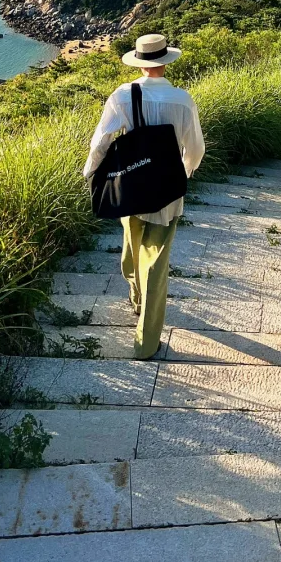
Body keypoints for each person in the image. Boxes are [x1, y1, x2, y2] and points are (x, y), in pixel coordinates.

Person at [83, 33, 205, 360]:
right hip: (166, 190)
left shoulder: (123, 96)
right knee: (156, 259)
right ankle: (146, 342)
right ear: (166, 61)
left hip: (133, 184)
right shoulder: (182, 99)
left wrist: (90, 173)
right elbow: (195, 149)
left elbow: (102, 141)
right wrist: (184, 172)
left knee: (131, 242)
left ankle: (136, 298)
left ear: (138, 62)